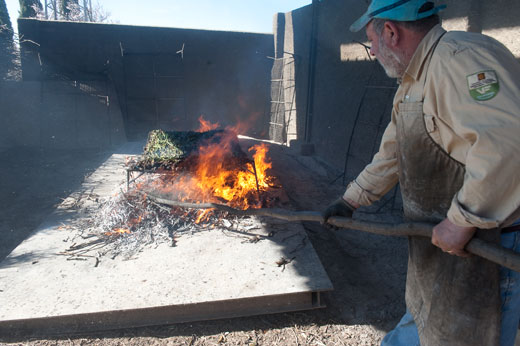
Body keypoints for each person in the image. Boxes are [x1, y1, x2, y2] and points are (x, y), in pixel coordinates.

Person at [322, 1, 520, 345]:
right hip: (446, 242)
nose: (371, 51)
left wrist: (461, 220)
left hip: (491, 241)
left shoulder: (460, 59)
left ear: (390, 32)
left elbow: (506, 145)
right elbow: (393, 152)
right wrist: (350, 200)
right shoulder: (414, 81)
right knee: (426, 321)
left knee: (471, 335)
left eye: (370, 41)